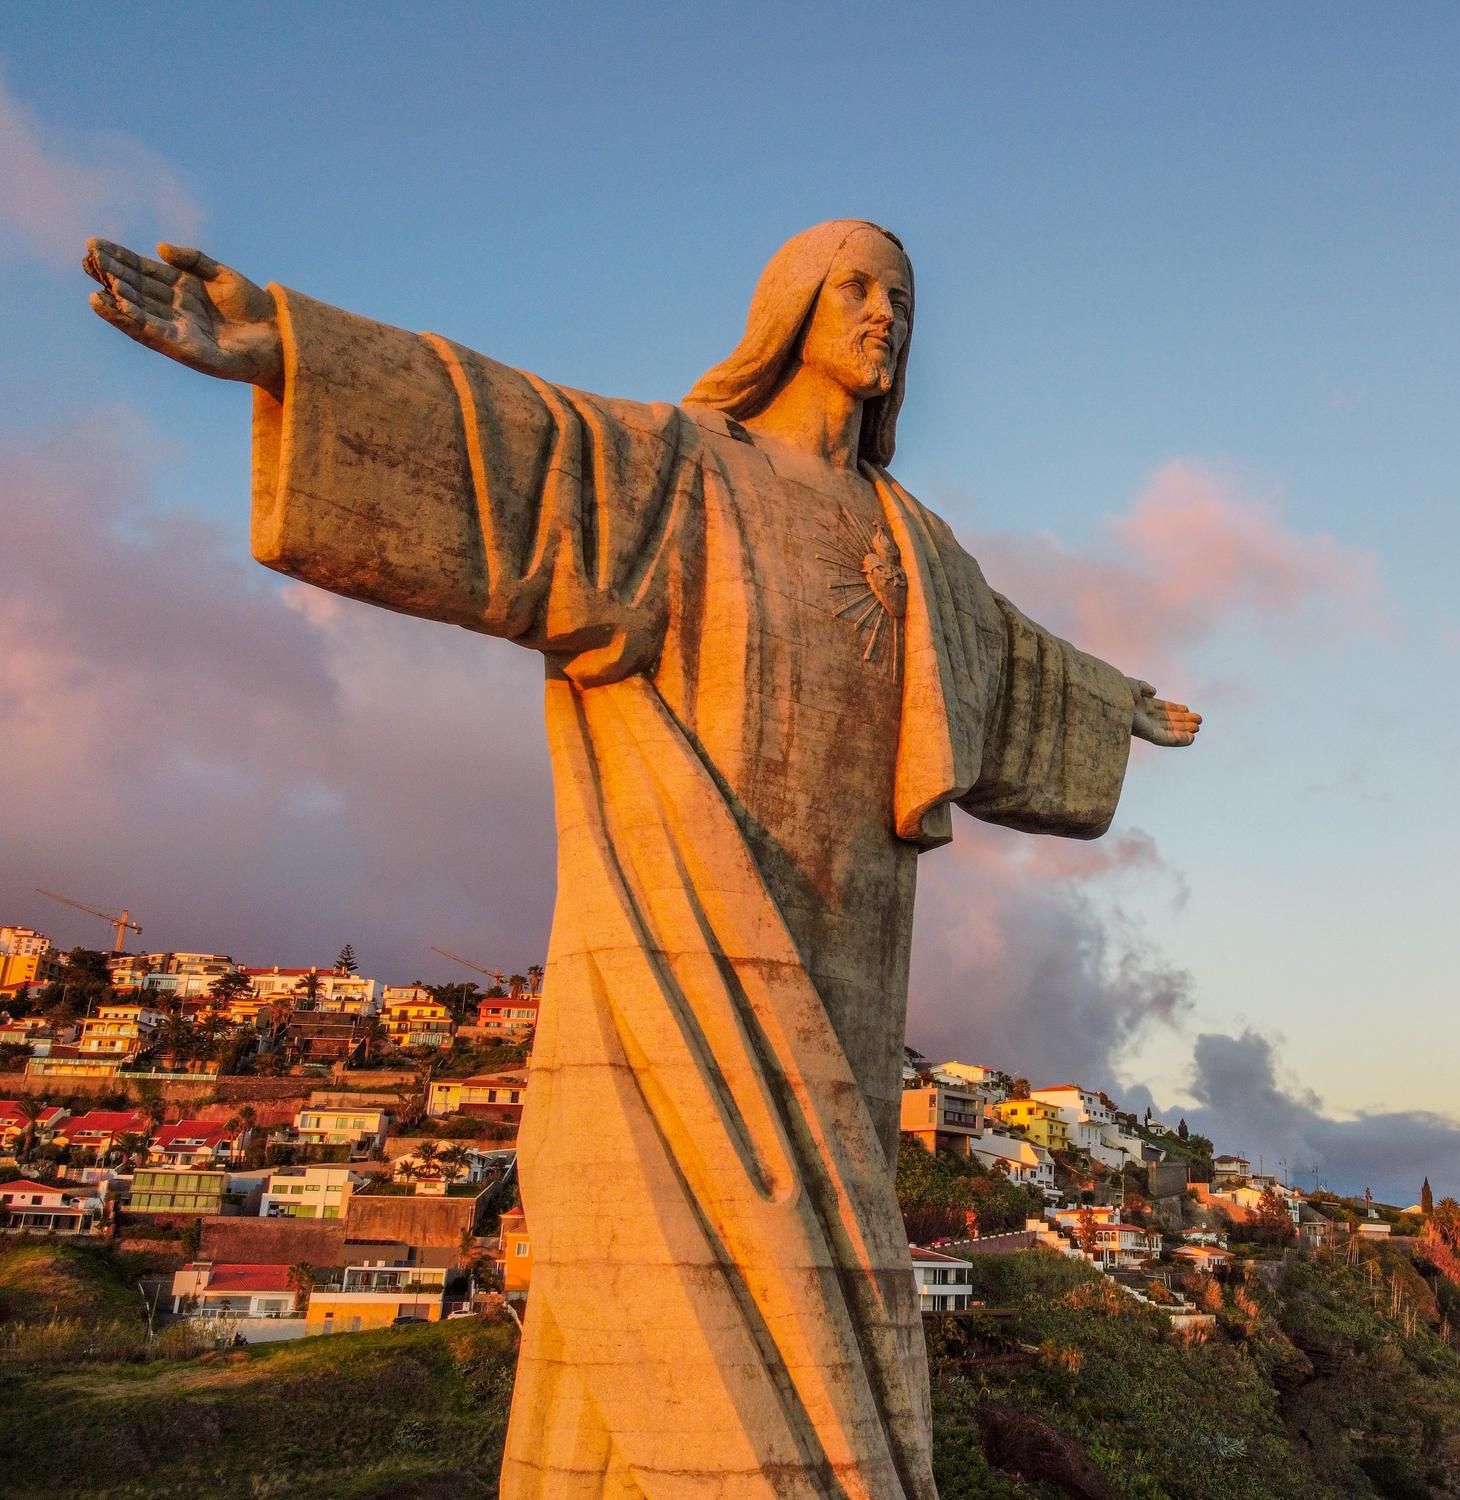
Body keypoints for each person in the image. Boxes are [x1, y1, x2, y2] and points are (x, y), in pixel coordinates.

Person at [84, 221, 1199, 1499]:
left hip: (851, 948)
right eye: (855, 287)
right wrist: (292, 346)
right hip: (688, 929)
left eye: (901, 297)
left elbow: (1005, 659)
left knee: (841, 1240)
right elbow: (510, 439)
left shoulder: (919, 545)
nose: (883, 313)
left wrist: (1115, 702)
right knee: (669, 1246)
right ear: (787, 307)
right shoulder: (677, 470)